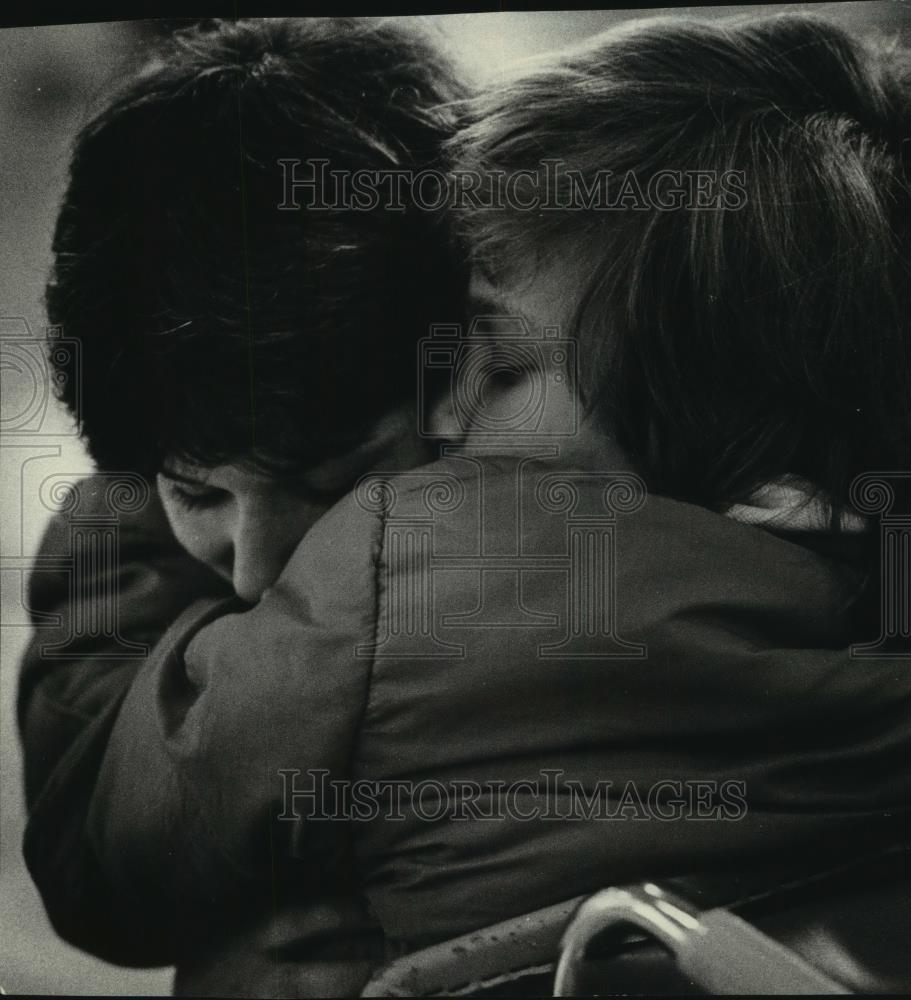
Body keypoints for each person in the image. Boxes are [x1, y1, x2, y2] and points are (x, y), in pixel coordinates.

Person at [23, 10, 911, 998]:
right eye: (192, 491)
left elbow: (101, 850)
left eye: (504, 360)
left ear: (760, 488)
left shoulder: (418, 576)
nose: (449, 402)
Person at [19, 16, 467, 997]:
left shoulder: (537, 466)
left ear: (463, 374)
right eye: (198, 493)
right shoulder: (110, 531)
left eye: (324, 482)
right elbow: (94, 869)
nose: (256, 568)